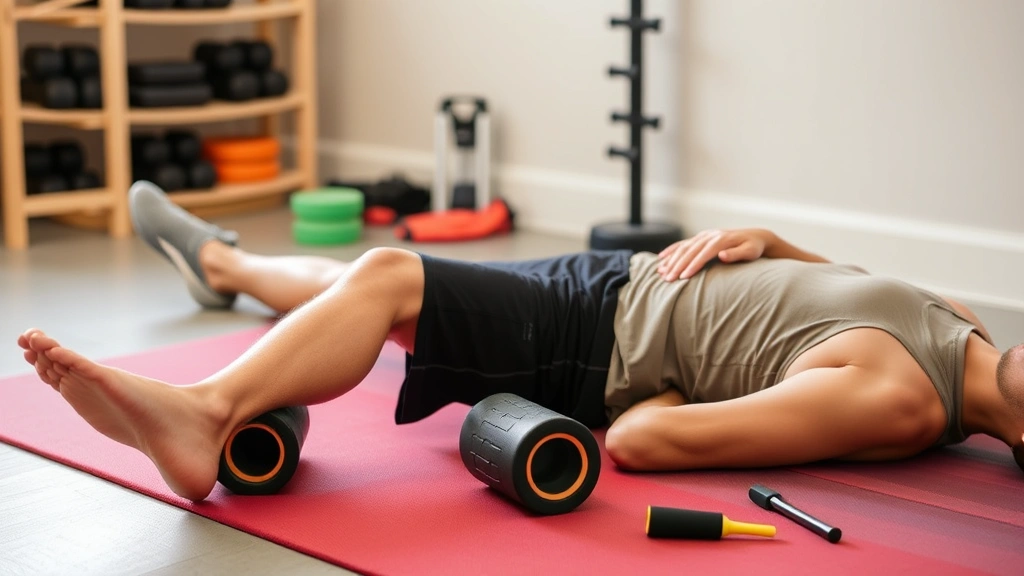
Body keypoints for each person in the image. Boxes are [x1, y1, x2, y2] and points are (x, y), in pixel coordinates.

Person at [18, 181, 1024, 502]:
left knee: (389, 277)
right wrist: (772, 244)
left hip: (595, 342)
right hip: (615, 291)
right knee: (362, 288)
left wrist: (655, 378)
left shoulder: (899, 401)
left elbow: (649, 443)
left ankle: (202, 415)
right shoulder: (968, 329)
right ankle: (230, 272)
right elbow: (828, 300)